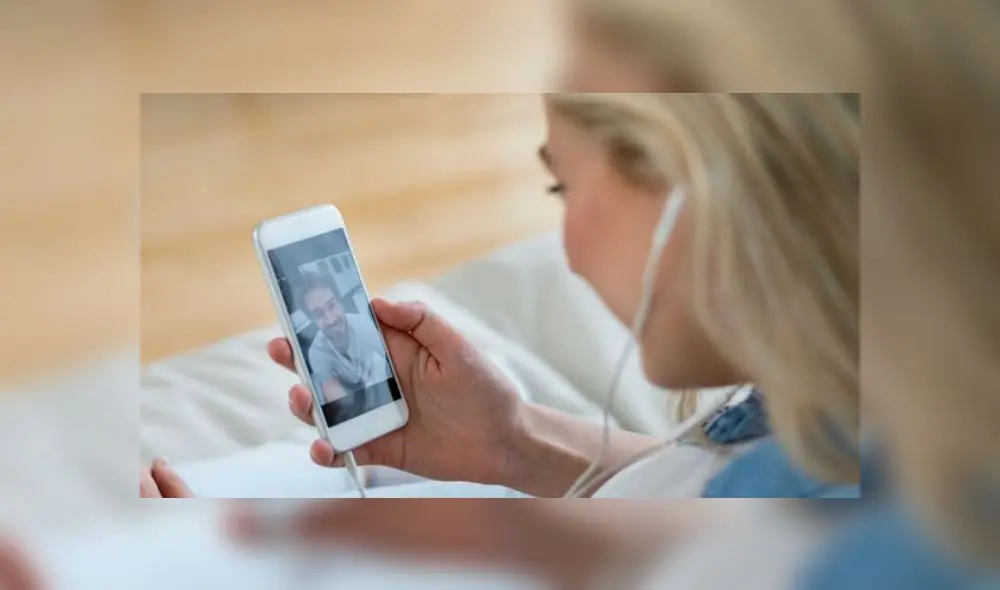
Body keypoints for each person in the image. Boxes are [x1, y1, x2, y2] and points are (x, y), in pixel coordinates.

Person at [296, 272, 393, 423]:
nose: (331, 319)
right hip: (349, 394)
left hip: (375, 384)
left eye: (332, 305)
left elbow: (390, 364)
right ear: (313, 321)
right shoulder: (317, 354)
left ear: (341, 303)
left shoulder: (365, 326)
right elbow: (331, 390)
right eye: (319, 314)